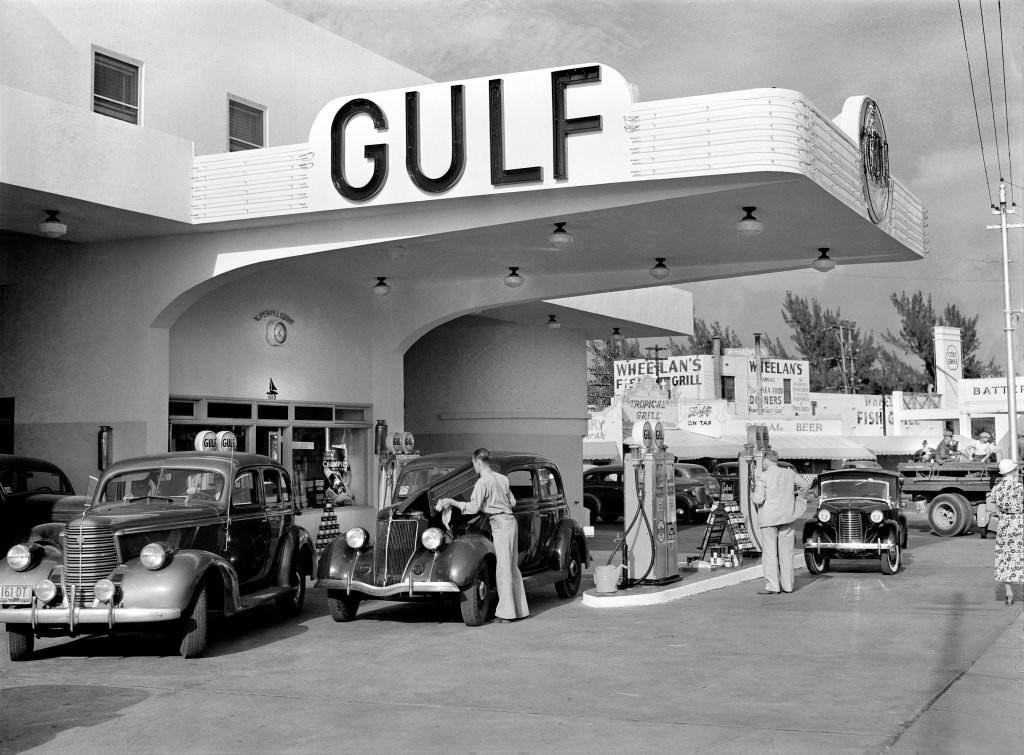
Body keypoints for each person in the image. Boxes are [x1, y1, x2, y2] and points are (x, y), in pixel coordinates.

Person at [435, 448, 529, 622]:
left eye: (474, 465)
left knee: (503, 569)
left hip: (500, 525)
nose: (474, 469)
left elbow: (473, 508)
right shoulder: (503, 479)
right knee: (512, 566)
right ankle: (520, 610)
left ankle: (506, 614)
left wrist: (452, 502)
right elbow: (513, 502)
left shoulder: (482, 482)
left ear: (478, 462)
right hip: (510, 522)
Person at [751, 449, 810, 595]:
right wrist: (797, 499)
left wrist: (752, 493)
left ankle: (773, 586)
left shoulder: (762, 476)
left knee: (770, 553)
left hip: (769, 519)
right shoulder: (789, 473)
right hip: (787, 517)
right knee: (787, 552)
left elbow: (758, 499)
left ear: (766, 460)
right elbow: (805, 485)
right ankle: (788, 585)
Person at [988, 458, 1023, 605]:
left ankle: (1009, 593)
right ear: (1013, 471)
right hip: (1019, 522)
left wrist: (1000, 513)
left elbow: (991, 505)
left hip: (1004, 524)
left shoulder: (998, 488)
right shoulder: (1019, 487)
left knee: (1005, 557)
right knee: (1020, 555)